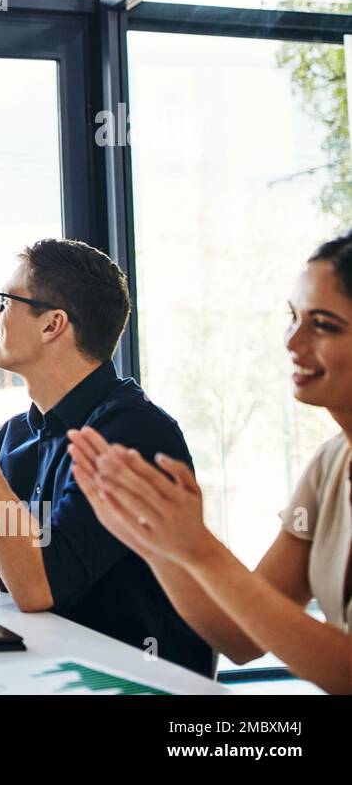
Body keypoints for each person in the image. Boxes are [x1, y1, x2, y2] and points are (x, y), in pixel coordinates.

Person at [0, 238, 212, 676]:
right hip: (47, 668)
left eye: (4, 302)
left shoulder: (132, 433)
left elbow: (38, 587)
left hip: (136, 679)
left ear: (52, 325)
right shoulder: (18, 435)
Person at [67, 232, 352, 694]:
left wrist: (200, 548)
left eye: (323, 324)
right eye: (293, 317)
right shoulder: (330, 464)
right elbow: (240, 638)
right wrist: (158, 543)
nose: (293, 341)